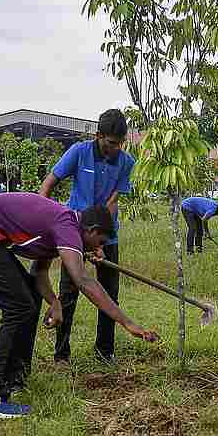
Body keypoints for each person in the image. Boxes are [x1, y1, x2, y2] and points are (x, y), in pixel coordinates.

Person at [0, 193, 158, 419]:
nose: (100, 249)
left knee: (29, 298)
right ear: (92, 230)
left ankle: (15, 379)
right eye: (101, 242)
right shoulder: (67, 227)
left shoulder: (62, 226)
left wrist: (54, 302)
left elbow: (39, 272)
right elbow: (83, 281)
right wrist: (127, 323)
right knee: (18, 308)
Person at [39, 109, 134, 365]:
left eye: (120, 143)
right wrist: (43, 220)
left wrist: (101, 241)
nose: (116, 148)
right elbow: (49, 183)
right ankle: (61, 355)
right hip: (74, 233)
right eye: (111, 143)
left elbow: (112, 202)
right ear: (98, 135)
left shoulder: (126, 162)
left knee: (109, 294)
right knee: (68, 293)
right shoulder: (79, 152)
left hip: (106, 235)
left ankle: (105, 351)